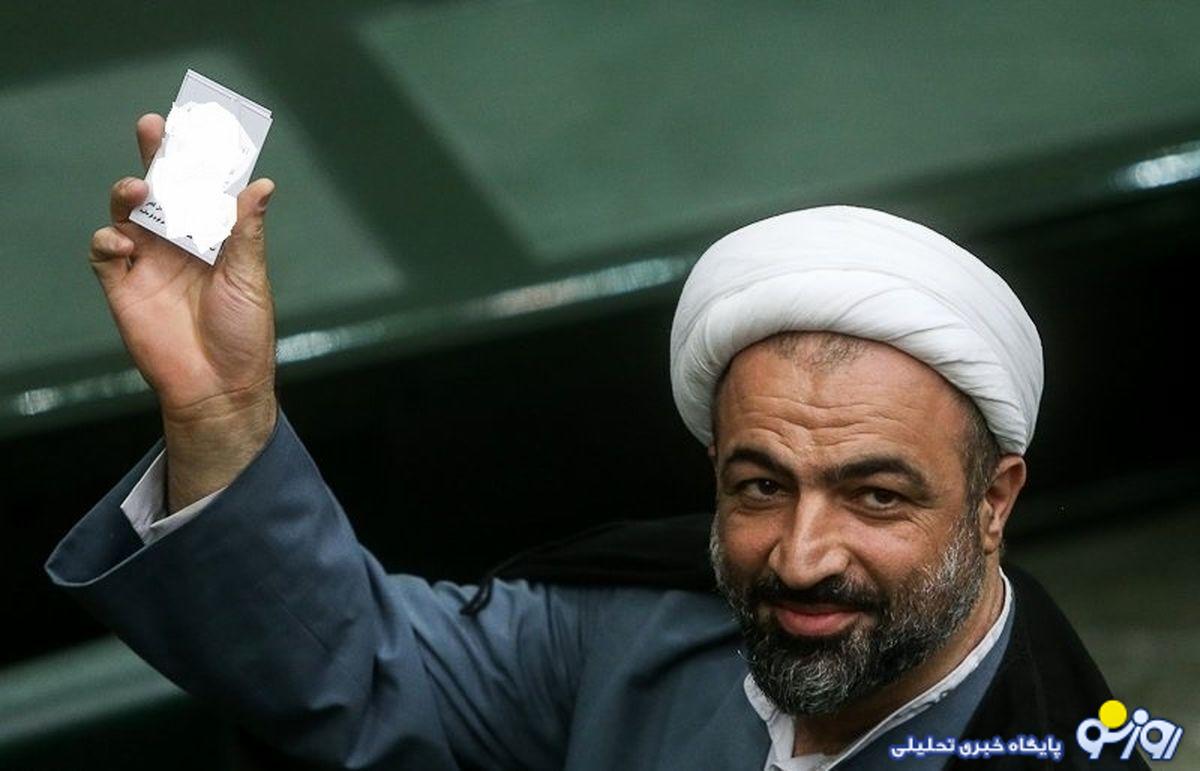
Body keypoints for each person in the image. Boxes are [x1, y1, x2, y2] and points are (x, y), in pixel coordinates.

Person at [46, 115, 1146, 771]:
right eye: (761, 486)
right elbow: (348, 666)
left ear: (994, 500)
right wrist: (222, 412)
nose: (803, 555)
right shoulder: (630, 633)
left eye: (877, 497)